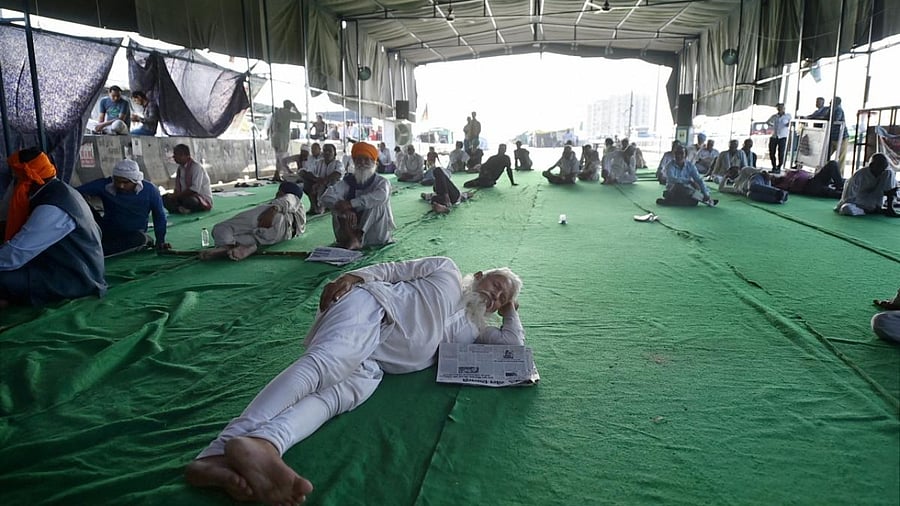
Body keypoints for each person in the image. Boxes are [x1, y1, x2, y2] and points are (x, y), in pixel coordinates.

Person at [184, 256, 524, 505]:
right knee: (326, 365)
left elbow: (513, 347)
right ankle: (221, 448)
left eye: (502, 299)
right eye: (496, 285)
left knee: (333, 400)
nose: (495, 297)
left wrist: (511, 311)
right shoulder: (447, 270)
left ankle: (264, 444)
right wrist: (353, 278)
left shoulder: (476, 330)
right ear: (479, 274)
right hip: (372, 312)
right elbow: (392, 270)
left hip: (376, 364)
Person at [0, 148, 106, 307]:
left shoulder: (53, 207)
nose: (15, 182)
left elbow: (17, 253)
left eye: (17, 178)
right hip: (68, 267)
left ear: (29, 178)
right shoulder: (59, 190)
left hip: (74, 279)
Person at [77, 159, 169, 257]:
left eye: (125, 183)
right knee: (79, 202)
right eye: (117, 181)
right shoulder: (105, 185)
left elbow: (159, 216)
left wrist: (160, 241)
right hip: (106, 230)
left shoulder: (150, 190)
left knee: (140, 239)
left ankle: (95, 251)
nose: (121, 186)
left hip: (132, 235)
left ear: (135, 181)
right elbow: (74, 192)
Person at [199, 182, 306, 261]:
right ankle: (248, 247)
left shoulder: (290, 199)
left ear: (280, 192)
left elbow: (288, 199)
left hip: (275, 217)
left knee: (221, 228)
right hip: (281, 236)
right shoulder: (301, 210)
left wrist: (273, 210)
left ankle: (226, 245)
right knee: (251, 235)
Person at [320, 142, 395, 249]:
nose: (362, 163)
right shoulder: (348, 181)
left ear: (374, 162)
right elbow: (326, 197)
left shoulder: (382, 182)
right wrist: (344, 208)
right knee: (337, 204)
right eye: (359, 159)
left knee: (377, 203)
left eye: (366, 159)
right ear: (354, 162)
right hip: (348, 233)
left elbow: (381, 196)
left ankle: (359, 237)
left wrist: (351, 204)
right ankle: (352, 239)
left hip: (374, 236)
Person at [163, 144, 213, 214]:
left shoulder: (196, 167)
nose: (173, 157)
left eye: (175, 154)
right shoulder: (180, 169)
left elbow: (195, 189)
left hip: (200, 198)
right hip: (183, 196)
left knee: (190, 201)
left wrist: (177, 196)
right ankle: (181, 209)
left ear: (183, 155)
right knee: (164, 198)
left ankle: (181, 209)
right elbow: (178, 188)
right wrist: (174, 195)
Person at [299, 143, 343, 214]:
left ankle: (323, 206)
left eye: (329, 151)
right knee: (306, 181)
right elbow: (308, 172)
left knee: (332, 182)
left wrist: (323, 181)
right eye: (325, 151)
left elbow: (337, 174)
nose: (327, 153)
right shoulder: (318, 162)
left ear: (335, 153)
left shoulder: (338, 163)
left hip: (332, 187)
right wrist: (317, 180)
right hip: (319, 184)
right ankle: (314, 206)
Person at [771, 161, 844, 198]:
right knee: (836, 194)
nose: (773, 177)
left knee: (832, 164)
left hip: (812, 180)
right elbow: (791, 188)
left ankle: (840, 186)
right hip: (808, 187)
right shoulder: (781, 185)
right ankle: (842, 190)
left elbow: (803, 172)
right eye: (772, 178)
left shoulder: (788, 174)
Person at [719, 167, 788, 204]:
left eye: (733, 170)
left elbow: (760, 170)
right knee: (750, 194)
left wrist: (765, 173)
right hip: (752, 190)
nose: (732, 173)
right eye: (730, 172)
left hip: (757, 179)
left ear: (738, 169)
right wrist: (725, 177)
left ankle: (779, 192)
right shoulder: (735, 187)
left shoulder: (744, 170)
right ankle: (777, 199)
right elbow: (721, 189)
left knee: (752, 186)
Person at [268, 100, 297, 182]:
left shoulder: (276, 112)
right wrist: (295, 107)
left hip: (275, 136)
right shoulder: (287, 113)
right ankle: (285, 172)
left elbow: (271, 125)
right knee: (282, 156)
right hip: (282, 137)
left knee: (278, 156)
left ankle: (277, 174)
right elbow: (299, 116)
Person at [767, 103, 791, 172]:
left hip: (782, 136)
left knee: (781, 153)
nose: (780, 109)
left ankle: (779, 166)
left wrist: (787, 125)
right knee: (772, 152)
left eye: (781, 108)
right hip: (774, 136)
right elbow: (768, 122)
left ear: (784, 108)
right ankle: (774, 166)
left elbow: (790, 123)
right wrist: (773, 126)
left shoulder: (788, 116)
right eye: (779, 108)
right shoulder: (774, 116)